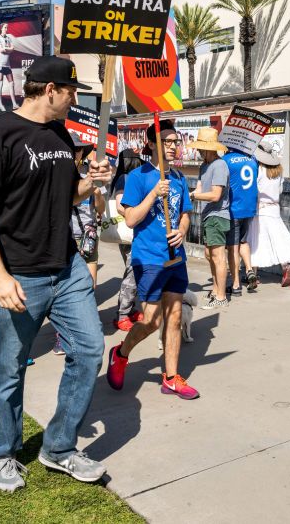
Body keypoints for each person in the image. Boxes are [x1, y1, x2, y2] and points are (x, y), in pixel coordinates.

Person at [0, 56, 110, 493]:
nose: (75, 98)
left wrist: (91, 182)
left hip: (65, 268)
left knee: (89, 349)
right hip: (17, 274)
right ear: (51, 90)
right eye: (72, 91)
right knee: (9, 367)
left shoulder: (61, 134)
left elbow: (65, 196)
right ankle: (1, 453)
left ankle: (59, 447)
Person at [106, 119, 199, 401]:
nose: (173, 146)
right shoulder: (139, 177)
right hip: (148, 259)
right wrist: (153, 194)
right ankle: (120, 353)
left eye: (175, 141)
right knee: (151, 320)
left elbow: (185, 214)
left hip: (176, 259)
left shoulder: (181, 178)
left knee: (172, 319)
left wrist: (182, 231)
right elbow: (131, 219)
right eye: (167, 141)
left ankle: (171, 378)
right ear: (151, 145)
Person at [64, 138, 106, 355]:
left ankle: (84, 330)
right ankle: (63, 335)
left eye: (80, 149)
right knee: (66, 289)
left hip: (88, 236)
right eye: (73, 149)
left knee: (89, 287)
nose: (77, 153)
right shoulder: (59, 174)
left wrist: (96, 193)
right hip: (65, 237)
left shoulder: (89, 176)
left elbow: (100, 210)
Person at [247, 144, 290, 287]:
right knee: (278, 239)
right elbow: (279, 190)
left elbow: (253, 189)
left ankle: (254, 274)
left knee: (255, 241)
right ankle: (285, 266)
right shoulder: (279, 172)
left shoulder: (258, 170)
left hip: (260, 209)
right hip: (274, 209)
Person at [189, 127, 230, 310]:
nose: (198, 151)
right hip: (208, 215)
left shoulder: (219, 165)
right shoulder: (205, 166)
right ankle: (215, 290)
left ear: (210, 149)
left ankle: (221, 296)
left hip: (217, 214)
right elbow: (198, 189)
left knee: (218, 256)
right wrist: (190, 194)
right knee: (209, 254)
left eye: (200, 148)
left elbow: (215, 195)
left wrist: (194, 197)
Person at [112, 149, 145, 331]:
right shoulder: (124, 178)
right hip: (129, 232)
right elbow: (120, 206)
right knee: (131, 274)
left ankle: (129, 309)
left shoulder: (128, 177)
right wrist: (139, 214)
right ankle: (122, 314)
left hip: (134, 231)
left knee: (134, 272)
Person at [223, 144, 260, 297]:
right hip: (249, 208)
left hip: (234, 208)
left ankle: (236, 283)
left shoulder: (225, 160)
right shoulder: (253, 160)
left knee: (232, 247)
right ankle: (250, 269)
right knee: (243, 241)